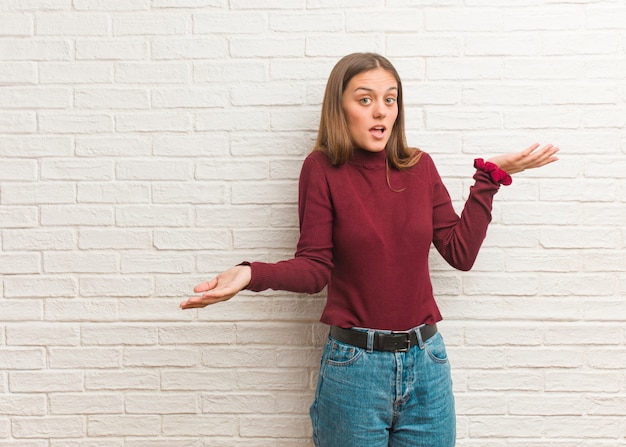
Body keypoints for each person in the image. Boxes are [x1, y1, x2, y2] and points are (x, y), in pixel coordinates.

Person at [180, 52, 559, 447]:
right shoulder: (322, 169)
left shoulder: (420, 166)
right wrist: (249, 274)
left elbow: (459, 253)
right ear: (339, 108)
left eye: (389, 99)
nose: (380, 111)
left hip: (428, 364)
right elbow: (314, 268)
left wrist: (489, 179)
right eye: (365, 99)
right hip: (355, 373)